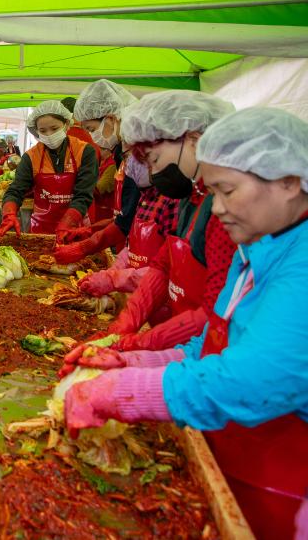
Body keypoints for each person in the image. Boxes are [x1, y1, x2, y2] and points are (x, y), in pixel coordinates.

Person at [62, 107, 308, 539]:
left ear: (289, 181)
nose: (218, 208)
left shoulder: (300, 266)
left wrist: (129, 391)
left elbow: (249, 382)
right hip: (235, 461)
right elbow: (216, 342)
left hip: (290, 490)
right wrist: (134, 362)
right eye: (213, 192)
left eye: (228, 191)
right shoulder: (257, 248)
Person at [64, 90, 237, 356]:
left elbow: (217, 309)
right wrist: (131, 318)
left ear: (193, 140)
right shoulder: (193, 195)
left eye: (154, 160)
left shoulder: (226, 210)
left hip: (209, 350)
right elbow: (164, 262)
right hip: (183, 338)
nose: (153, 174)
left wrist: (144, 342)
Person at [75, 155, 180, 309]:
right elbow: (131, 248)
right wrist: (112, 271)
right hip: (136, 297)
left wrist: (114, 279)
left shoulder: (174, 202)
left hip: (161, 303)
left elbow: (169, 269)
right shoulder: (145, 197)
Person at [53, 79, 141, 261]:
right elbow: (125, 214)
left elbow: (129, 220)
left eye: (91, 129)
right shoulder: (121, 152)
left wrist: (85, 247)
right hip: (128, 245)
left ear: (110, 118)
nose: (92, 137)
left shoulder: (137, 155)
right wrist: (90, 230)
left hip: (140, 247)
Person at [0, 100, 98, 239]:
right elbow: (16, 190)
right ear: (36, 131)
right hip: (41, 230)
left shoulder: (84, 151)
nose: (49, 134)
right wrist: (9, 214)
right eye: (43, 131)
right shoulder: (30, 157)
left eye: (54, 128)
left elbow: (84, 194)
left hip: (75, 228)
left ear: (66, 124)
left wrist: (68, 222)